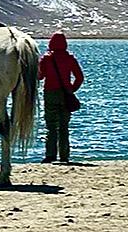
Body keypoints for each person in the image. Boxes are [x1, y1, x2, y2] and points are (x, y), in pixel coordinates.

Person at [38, 32, 84, 164]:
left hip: (50, 94)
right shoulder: (70, 58)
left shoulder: (46, 58)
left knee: (51, 126)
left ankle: (50, 155)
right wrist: (71, 90)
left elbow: (40, 76)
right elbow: (79, 78)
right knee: (64, 126)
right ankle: (64, 156)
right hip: (66, 94)